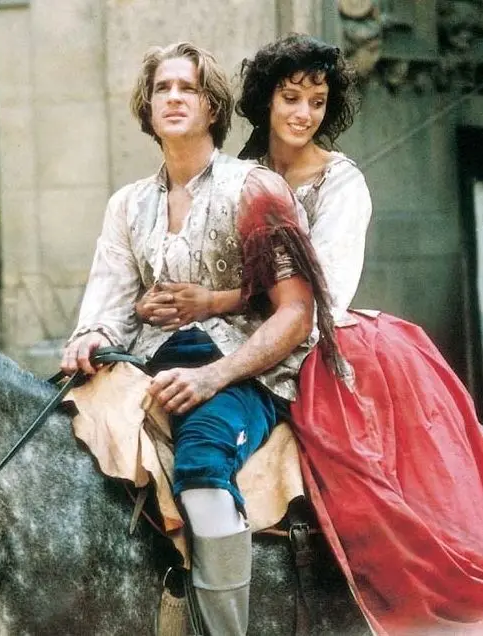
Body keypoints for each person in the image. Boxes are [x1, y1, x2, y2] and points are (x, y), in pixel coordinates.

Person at [139, 33, 483, 635]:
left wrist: (214, 300)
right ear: (266, 100)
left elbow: (323, 291)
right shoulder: (239, 173)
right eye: (291, 98)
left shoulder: (341, 182)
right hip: (237, 335)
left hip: (325, 343)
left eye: (317, 102)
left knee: (366, 498)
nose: (303, 114)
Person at [61, 41, 339, 636]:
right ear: (147, 106)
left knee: (202, 463)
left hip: (245, 372)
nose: (173, 98)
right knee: (63, 443)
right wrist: (89, 338)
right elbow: (108, 308)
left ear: (213, 105)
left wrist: (214, 376)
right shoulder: (128, 204)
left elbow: (297, 314)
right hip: (151, 365)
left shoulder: (256, 187)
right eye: (162, 88)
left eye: (187, 88)